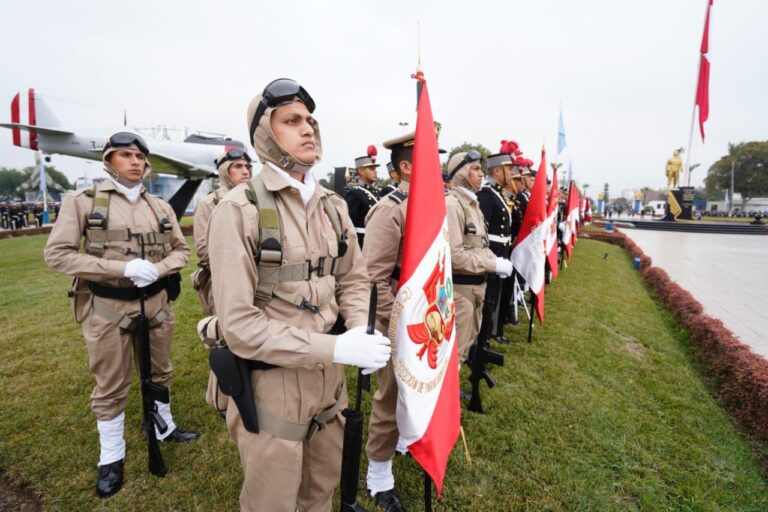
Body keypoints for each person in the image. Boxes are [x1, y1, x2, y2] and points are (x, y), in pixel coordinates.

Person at [202, 78, 391, 512]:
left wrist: (361, 331)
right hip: (272, 382)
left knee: (320, 494)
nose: (309, 129)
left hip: (331, 380)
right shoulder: (239, 210)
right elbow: (241, 327)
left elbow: (355, 279)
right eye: (292, 121)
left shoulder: (332, 205)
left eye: (310, 120)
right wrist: (338, 346)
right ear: (266, 135)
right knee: (273, 503)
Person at [43, 132, 197, 499]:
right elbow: (58, 254)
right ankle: (111, 456)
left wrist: (158, 270)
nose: (136, 161)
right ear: (109, 160)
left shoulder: (160, 207)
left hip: (156, 303)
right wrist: (120, 268)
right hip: (107, 308)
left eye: (141, 156)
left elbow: (181, 251)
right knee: (111, 383)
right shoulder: (82, 202)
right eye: (125, 155)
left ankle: (162, 426)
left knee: (160, 371)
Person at [192, 147, 253, 416]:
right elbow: (203, 249)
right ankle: (222, 396)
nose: (245, 171)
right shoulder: (210, 203)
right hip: (223, 279)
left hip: (256, 280)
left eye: (247, 166)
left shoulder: (256, 199)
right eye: (237, 166)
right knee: (225, 336)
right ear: (224, 172)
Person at [445, 151, 512, 365]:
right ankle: (448, 398)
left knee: (463, 350)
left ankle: (452, 396)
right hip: (460, 291)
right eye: (475, 169)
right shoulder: (452, 205)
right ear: (461, 173)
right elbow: (454, 257)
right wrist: (492, 264)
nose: (481, 174)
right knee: (453, 355)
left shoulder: (472, 205)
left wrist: (496, 261)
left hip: (474, 291)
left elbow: (481, 245)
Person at [476, 151, 515, 344]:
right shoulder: (486, 194)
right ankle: (479, 341)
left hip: (500, 253)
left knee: (493, 297)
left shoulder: (497, 194)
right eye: (509, 169)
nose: (512, 172)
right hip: (491, 254)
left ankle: (485, 338)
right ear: (498, 171)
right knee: (486, 299)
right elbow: (479, 230)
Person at [345, 150, 380, 248]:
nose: (375, 171)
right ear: (361, 171)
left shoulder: (377, 192)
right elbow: (349, 224)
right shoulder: (354, 193)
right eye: (371, 168)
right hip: (363, 243)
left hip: (377, 241)